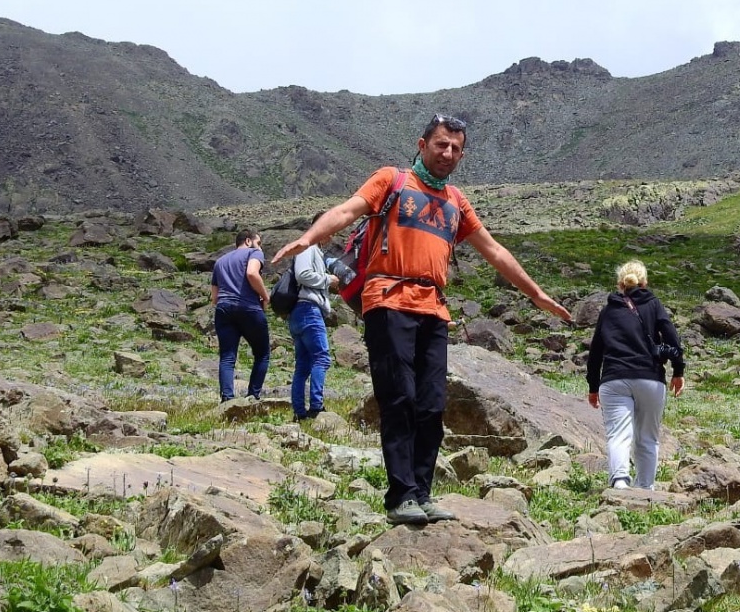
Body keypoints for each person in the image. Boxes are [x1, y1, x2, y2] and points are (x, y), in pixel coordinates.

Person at [272, 114, 571, 526]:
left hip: (433, 308)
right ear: (422, 144)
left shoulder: (456, 201)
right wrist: (309, 238)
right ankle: (401, 496)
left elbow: (494, 250)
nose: (447, 153)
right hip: (388, 300)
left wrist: (536, 294)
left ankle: (422, 493)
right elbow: (347, 210)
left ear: (462, 155)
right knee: (399, 398)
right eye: (441, 144)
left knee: (431, 404)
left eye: (455, 148)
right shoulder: (391, 180)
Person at [586, 260, 686, 490]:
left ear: (620, 284)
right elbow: (672, 338)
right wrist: (678, 370)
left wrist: (593, 386)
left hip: (614, 378)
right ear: (645, 282)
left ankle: (620, 481)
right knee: (648, 438)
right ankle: (645, 489)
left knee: (618, 435)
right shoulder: (654, 305)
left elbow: (596, 351)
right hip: (650, 378)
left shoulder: (608, 311)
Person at [210, 229, 271, 402]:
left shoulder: (220, 261)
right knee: (262, 354)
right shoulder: (254, 253)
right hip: (249, 307)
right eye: (258, 243)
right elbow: (252, 273)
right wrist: (265, 296)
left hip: (223, 308)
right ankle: (252, 396)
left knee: (227, 357)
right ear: (248, 241)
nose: (260, 247)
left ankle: (227, 399)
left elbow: (214, 297)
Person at [288, 220, 338, 422]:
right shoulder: (307, 248)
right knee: (322, 358)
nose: (331, 236)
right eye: (329, 230)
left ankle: (299, 411)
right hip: (308, 310)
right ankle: (316, 406)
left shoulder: (310, 249)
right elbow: (303, 274)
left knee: (303, 364)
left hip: (300, 312)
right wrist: (328, 279)